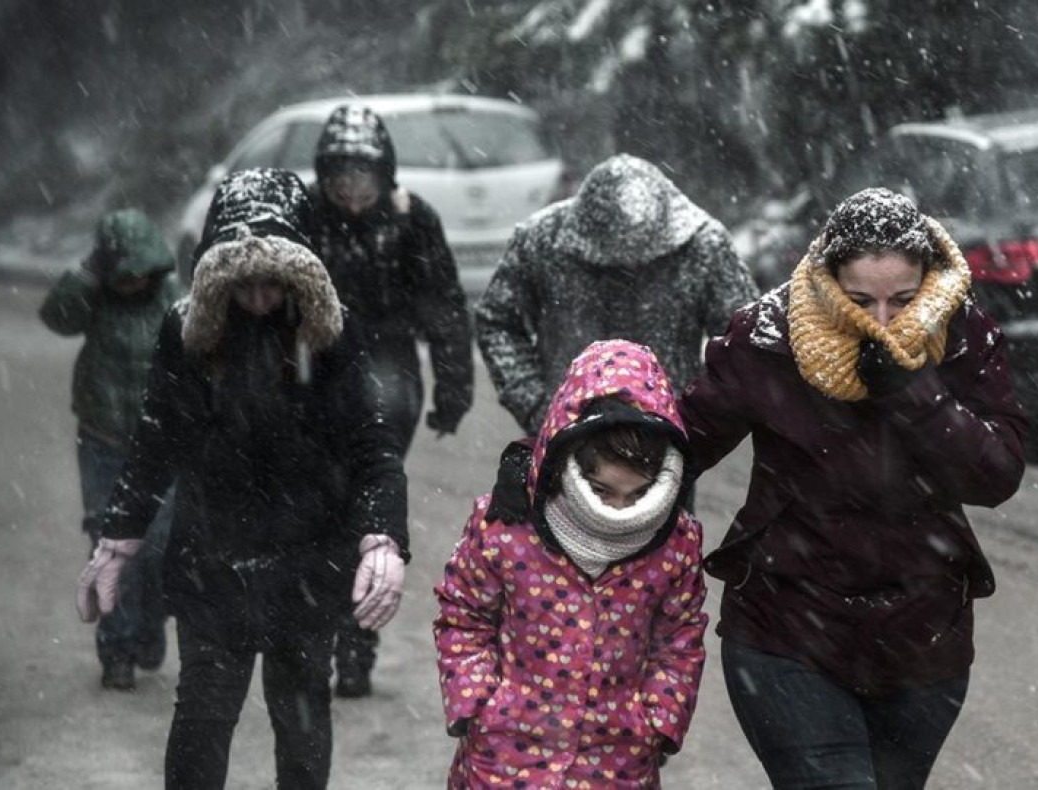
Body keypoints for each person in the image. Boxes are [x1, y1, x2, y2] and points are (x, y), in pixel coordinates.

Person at [677, 188, 1028, 789]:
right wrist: (553, 467)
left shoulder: (963, 330)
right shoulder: (767, 336)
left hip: (922, 637)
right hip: (784, 629)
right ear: (828, 281)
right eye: (861, 300)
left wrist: (913, 391)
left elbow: (994, 474)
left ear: (929, 280)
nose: (882, 323)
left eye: (903, 300)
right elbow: (680, 445)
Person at [74, 168, 409, 790]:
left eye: (272, 282)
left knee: (302, 715)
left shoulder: (335, 333)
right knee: (202, 716)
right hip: (213, 560)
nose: (256, 296)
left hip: (309, 562)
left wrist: (382, 537)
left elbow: (373, 445)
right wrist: (117, 540)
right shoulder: (187, 333)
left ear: (299, 272)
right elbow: (155, 439)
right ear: (215, 279)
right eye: (241, 283)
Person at [434, 339, 708, 789]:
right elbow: (463, 615)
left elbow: (680, 638)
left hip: (619, 760)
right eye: (602, 491)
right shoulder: (505, 525)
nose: (619, 510)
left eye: (637, 495)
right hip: (503, 757)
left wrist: (658, 720)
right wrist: (477, 703)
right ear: (566, 462)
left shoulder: (674, 543)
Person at [307, 102, 474, 697]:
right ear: (324, 176)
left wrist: (454, 385)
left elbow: (445, 305)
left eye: (363, 174)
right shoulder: (308, 220)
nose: (352, 188)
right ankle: (321, 631)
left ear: (384, 175)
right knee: (318, 507)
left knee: (368, 502)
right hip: (314, 376)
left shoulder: (410, 221)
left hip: (388, 376)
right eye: (341, 175)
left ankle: (356, 641)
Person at [475, 153, 758, 436]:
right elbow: (498, 321)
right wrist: (536, 407)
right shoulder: (542, 239)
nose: (628, 270)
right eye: (613, 265)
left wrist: (694, 421)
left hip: (666, 441)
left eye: (640, 264)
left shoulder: (702, 245)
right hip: (562, 433)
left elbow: (744, 347)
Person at [40, 208, 182, 691]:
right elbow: (55, 316)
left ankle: (150, 624)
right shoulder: (93, 297)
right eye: (118, 273)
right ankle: (117, 650)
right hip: (102, 438)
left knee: (160, 544)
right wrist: (86, 274)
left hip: (161, 443)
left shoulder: (171, 298)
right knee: (109, 543)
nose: (127, 283)